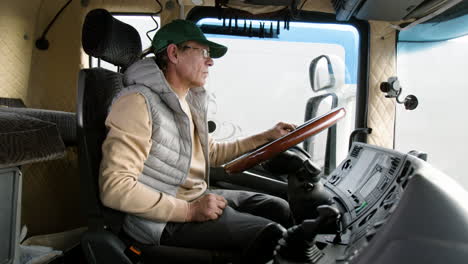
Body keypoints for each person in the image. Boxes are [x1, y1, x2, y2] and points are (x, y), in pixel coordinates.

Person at [99, 19, 296, 263]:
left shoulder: (186, 100)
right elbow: (115, 188)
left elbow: (209, 153)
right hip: (161, 221)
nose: (210, 61)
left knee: (280, 208)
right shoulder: (138, 103)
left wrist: (266, 136)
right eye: (203, 52)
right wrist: (190, 211)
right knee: (274, 237)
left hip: (195, 196)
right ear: (173, 53)